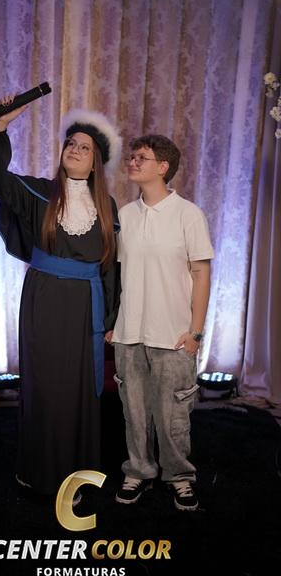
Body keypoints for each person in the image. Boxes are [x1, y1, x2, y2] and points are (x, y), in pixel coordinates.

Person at [0, 98, 122, 499]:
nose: (74, 149)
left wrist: (110, 319)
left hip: (86, 307)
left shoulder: (107, 207)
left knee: (79, 390)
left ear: (96, 162)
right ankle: (40, 470)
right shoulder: (39, 193)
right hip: (44, 301)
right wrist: (1, 125)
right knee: (46, 387)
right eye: (70, 143)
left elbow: (109, 267)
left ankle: (75, 473)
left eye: (84, 147)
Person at [110, 134, 214, 511]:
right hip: (129, 333)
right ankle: (138, 470)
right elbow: (116, 275)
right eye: (132, 157)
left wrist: (195, 332)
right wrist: (114, 323)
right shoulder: (124, 215)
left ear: (163, 167)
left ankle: (179, 476)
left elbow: (201, 273)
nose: (133, 162)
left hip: (173, 335)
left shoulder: (189, 214)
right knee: (134, 413)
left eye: (142, 157)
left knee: (173, 417)